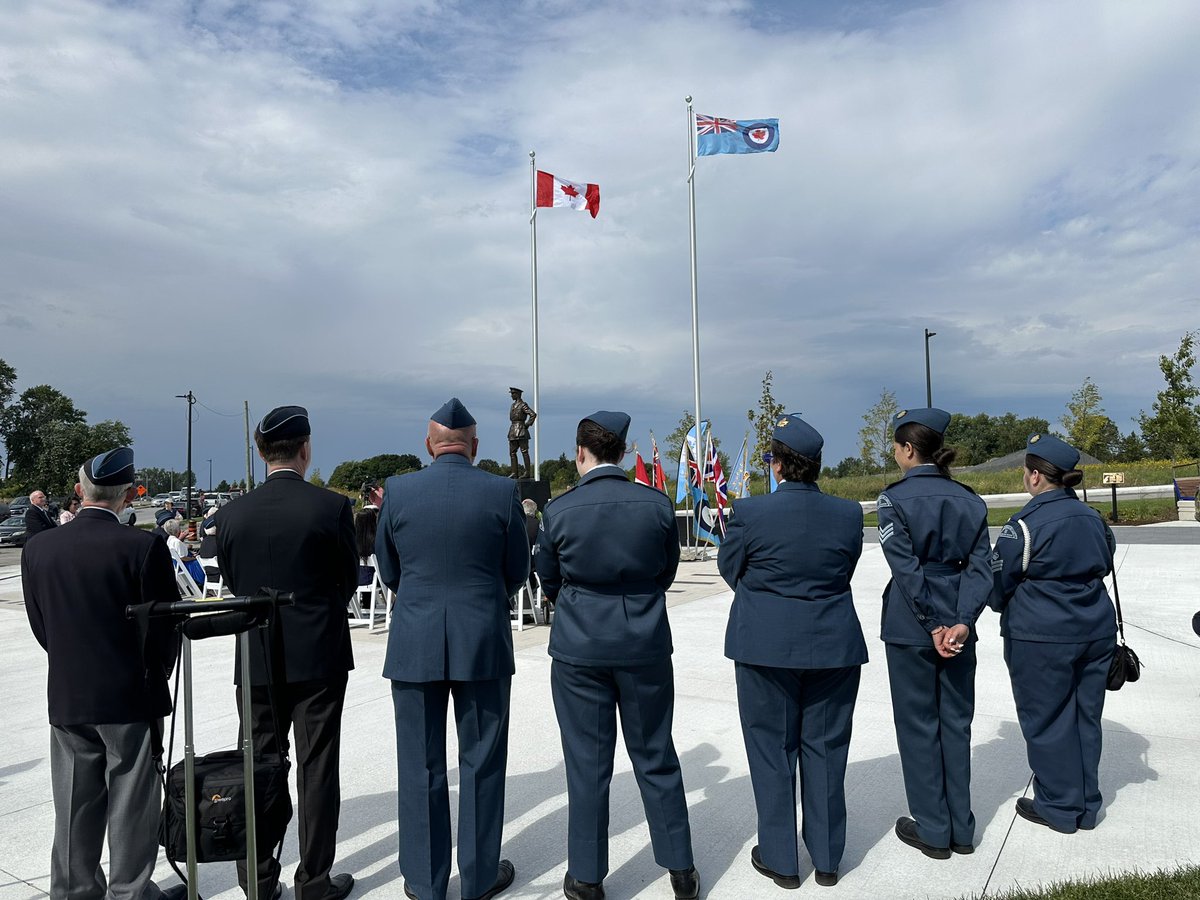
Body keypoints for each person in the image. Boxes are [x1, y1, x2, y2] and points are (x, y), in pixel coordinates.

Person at [536, 411, 699, 900]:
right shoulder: (655, 505)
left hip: (579, 648)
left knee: (587, 763)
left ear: (580, 452)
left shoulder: (560, 511)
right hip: (643, 642)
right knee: (655, 755)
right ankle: (681, 872)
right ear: (625, 452)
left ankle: (586, 878)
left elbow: (548, 579)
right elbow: (665, 571)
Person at [375, 398, 527, 900]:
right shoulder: (502, 491)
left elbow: (389, 570)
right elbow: (517, 570)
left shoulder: (397, 491)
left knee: (419, 766)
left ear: (428, 445)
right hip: (481, 639)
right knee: (482, 762)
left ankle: (424, 881)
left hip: (415, 640)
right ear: (475, 446)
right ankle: (479, 878)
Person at [22, 447, 183, 900]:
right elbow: (163, 628)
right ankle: (130, 892)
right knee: (131, 802)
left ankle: (74, 892)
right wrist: (156, 679)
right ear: (129, 494)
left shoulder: (39, 547)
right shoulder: (142, 546)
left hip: (69, 693)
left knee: (74, 805)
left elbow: (42, 625)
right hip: (129, 694)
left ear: (79, 492)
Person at [215, 405, 357, 900]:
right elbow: (348, 582)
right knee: (317, 766)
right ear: (306, 449)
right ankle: (314, 880)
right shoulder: (332, 507)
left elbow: (232, 584)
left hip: (255, 655)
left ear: (259, 453)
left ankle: (256, 877)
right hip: (317, 653)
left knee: (258, 763)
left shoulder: (231, 514)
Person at [718, 414, 866, 888]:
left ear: (777, 465)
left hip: (765, 645)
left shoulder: (750, 512)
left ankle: (781, 859)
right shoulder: (847, 514)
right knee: (825, 751)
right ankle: (826, 859)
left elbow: (730, 568)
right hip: (832, 644)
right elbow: (844, 570)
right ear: (817, 466)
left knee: (771, 751)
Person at [876, 407, 992, 859]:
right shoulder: (969, 499)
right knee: (956, 723)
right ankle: (961, 829)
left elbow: (905, 569)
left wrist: (932, 624)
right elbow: (982, 568)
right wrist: (962, 620)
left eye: (896, 446)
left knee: (918, 726)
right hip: (960, 624)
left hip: (912, 626)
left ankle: (933, 827)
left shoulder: (894, 499)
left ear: (908, 449)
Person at [991, 433, 1117, 833]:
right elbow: (1106, 561)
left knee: (1046, 720)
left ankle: (1060, 808)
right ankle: (1086, 805)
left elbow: (1000, 580)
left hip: (1042, 634)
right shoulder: (1093, 518)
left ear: (1034, 476)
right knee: (1085, 718)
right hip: (1096, 629)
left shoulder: (1026, 523)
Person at [163, 517, 206, 588]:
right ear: (177, 530)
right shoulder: (177, 542)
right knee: (201, 561)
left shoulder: (170, 539)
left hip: (177, 564)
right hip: (186, 564)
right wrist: (193, 558)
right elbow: (183, 558)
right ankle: (203, 583)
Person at [507, 387, 537, 479]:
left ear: (517, 394)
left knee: (524, 452)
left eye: (513, 394)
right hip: (513, 430)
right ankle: (514, 473)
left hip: (521, 430)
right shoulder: (512, 405)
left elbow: (533, 414)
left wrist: (527, 424)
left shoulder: (523, 405)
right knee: (512, 452)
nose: (511, 395)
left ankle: (527, 472)